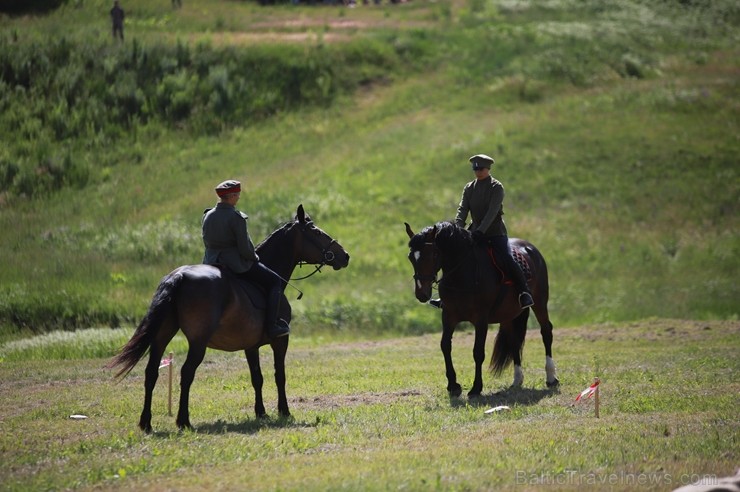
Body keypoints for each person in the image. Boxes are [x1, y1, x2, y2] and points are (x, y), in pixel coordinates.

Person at [430, 154, 534, 310]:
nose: (478, 171)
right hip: (474, 233)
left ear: (488, 169)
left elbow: (492, 212)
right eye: (475, 168)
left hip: (495, 233)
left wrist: (481, 231)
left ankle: (524, 292)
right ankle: (446, 297)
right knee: (454, 256)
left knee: (507, 258)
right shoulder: (469, 188)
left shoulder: (496, 187)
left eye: (481, 168)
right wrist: (458, 228)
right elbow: (463, 209)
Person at [202, 180, 289, 338]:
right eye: (238, 194)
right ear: (232, 196)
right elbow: (244, 248)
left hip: (211, 262)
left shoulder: (208, 215)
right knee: (275, 281)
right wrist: (254, 257)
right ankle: (272, 326)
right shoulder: (236, 217)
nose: (239, 197)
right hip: (235, 264)